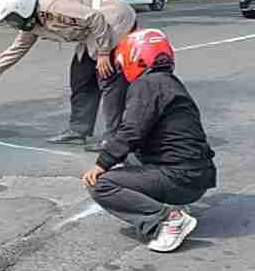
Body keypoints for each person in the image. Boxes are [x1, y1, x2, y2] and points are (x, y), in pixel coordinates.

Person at [82, 28, 216, 253]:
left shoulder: (147, 85)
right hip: (197, 175)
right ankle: (174, 206)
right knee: (131, 158)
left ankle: (168, 220)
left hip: (181, 178)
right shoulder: (169, 82)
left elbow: (131, 131)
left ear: (135, 57)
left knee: (101, 185)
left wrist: (101, 164)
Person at [0, 0, 137, 151]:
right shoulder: (32, 22)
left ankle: (114, 138)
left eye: (12, 18)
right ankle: (78, 130)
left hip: (114, 18)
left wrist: (103, 53)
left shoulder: (53, 7)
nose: (12, 23)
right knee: (81, 77)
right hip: (93, 31)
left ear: (23, 8)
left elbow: (95, 18)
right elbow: (17, 48)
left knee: (107, 77)